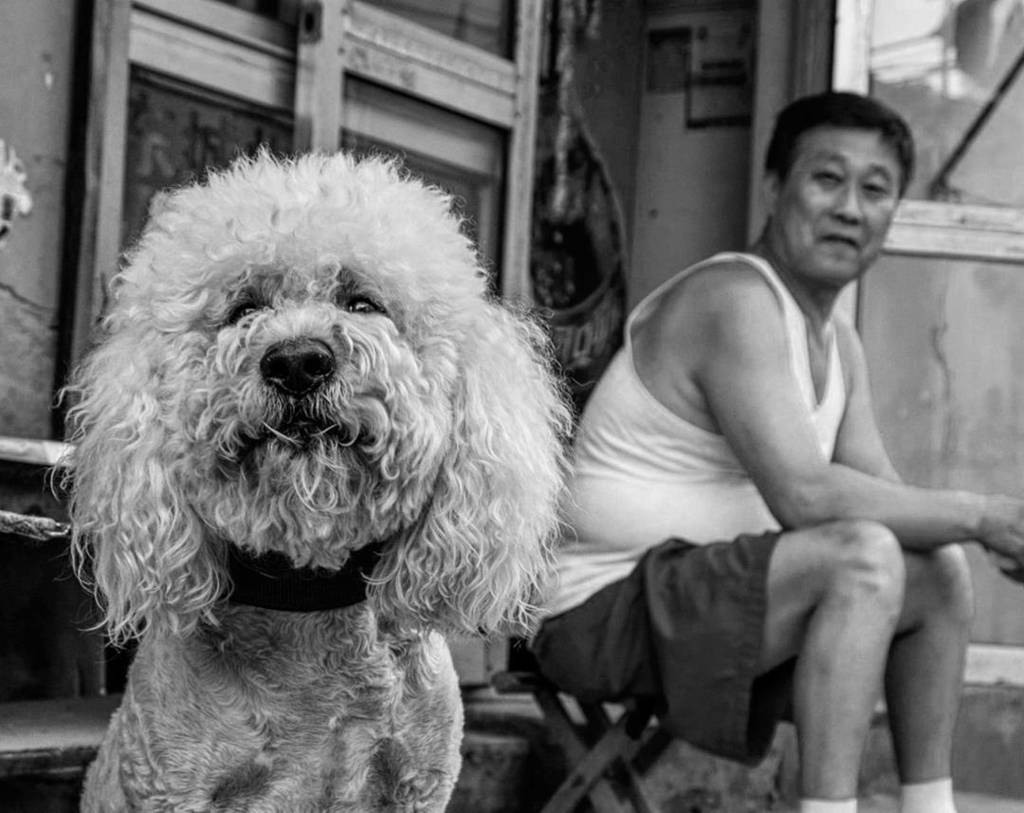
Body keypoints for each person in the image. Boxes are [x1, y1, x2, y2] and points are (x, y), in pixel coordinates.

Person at [532, 90, 1024, 813]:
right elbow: (808, 496)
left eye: (875, 189)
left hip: (704, 612)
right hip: (599, 612)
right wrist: (984, 514)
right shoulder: (734, 299)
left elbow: (885, 495)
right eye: (828, 179)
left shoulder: (838, 343)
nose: (850, 207)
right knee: (863, 556)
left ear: (892, 215)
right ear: (773, 189)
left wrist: (976, 531)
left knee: (937, 569)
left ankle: (930, 806)